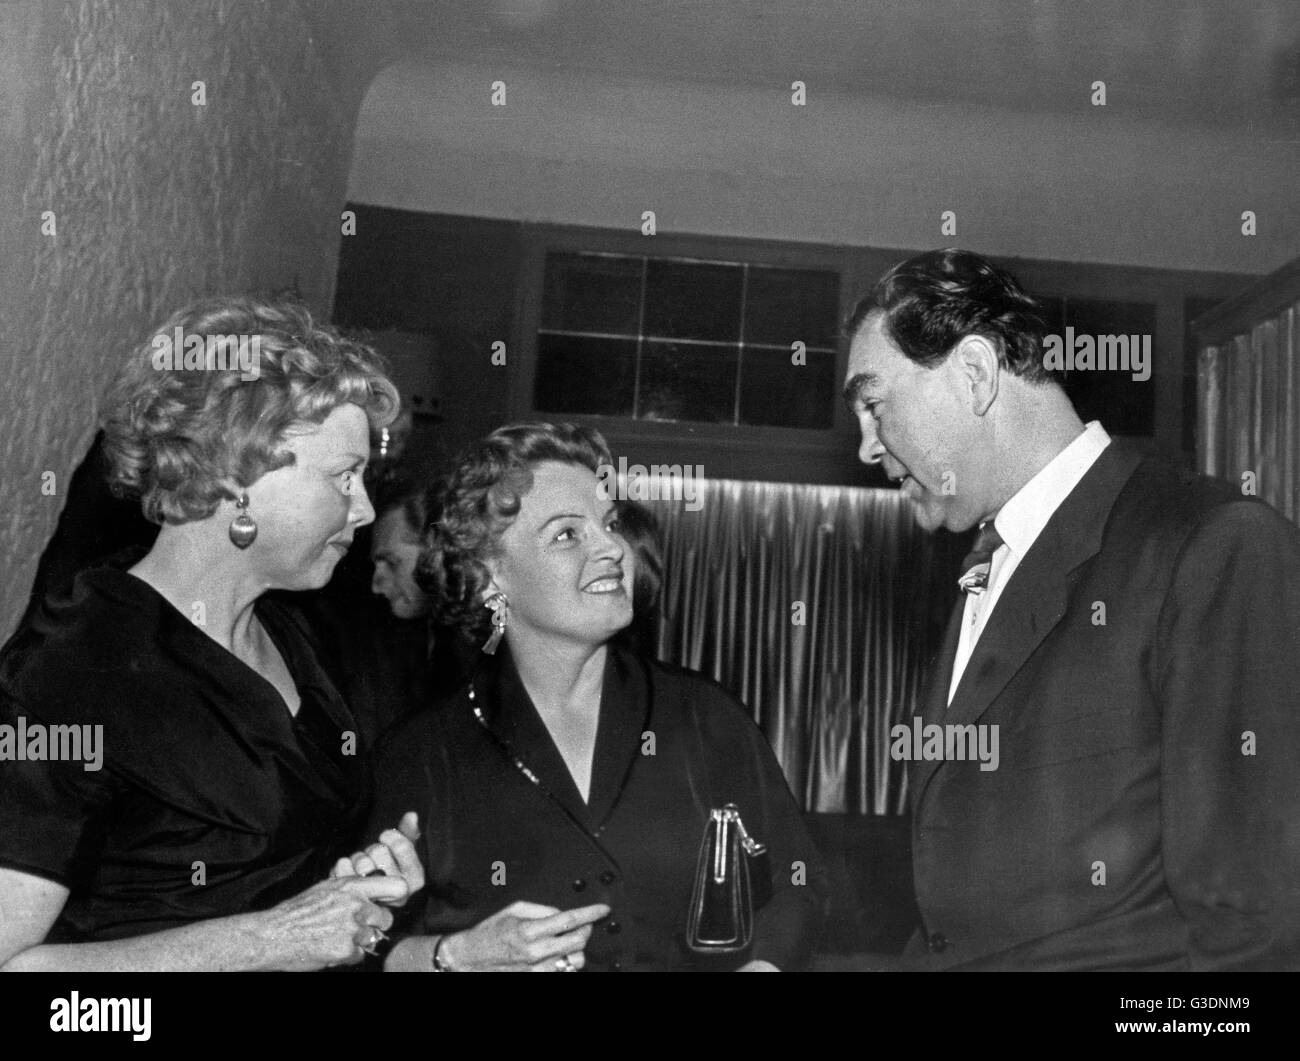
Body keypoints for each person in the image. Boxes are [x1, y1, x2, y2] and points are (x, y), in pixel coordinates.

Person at [842, 248, 1300, 970]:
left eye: (873, 402)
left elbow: (1258, 937)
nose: (868, 445)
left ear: (974, 373)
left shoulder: (1214, 545)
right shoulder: (989, 566)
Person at [0, 297, 423, 970]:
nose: (365, 507)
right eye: (344, 476)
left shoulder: (291, 635)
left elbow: (268, 886)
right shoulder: (68, 677)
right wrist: (270, 940)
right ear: (236, 471)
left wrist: (350, 896)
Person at [361, 423, 827, 971]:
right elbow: (360, 943)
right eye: (566, 534)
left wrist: (762, 967)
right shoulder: (422, 754)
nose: (613, 548)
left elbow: (797, 881)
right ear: (490, 578)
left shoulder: (702, 717)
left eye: (609, 524)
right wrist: (451, 956)